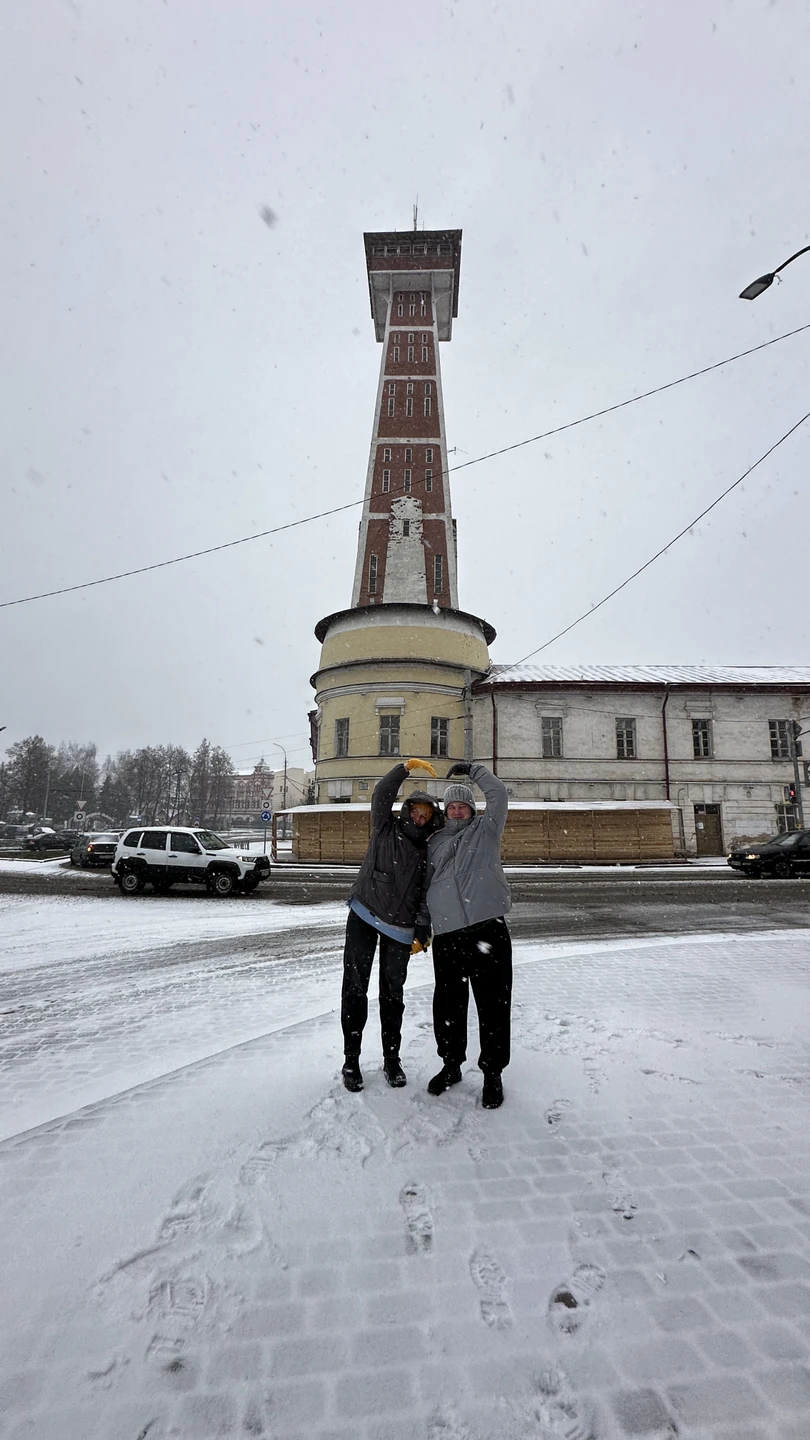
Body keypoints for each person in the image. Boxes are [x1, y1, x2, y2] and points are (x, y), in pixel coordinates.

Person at [341, 757, 443, 1093]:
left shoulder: (429, 849)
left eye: (425, 815)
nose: (418, 816)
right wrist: (403, 768)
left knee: (392, 995)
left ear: (432, 819)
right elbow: (381, 794)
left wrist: (422, 928)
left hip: (400, 927)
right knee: (355, 989)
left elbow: (427, 893)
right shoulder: (384, 826)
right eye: (415, 810)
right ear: (407, 809)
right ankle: (351, 1060)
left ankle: (392, 1058)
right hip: (364, 914)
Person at [422, 761, 512, 1109]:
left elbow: (499, 794)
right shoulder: (435, 841)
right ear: (446, 811)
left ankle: (492, 1073)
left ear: (472, 809)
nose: (457, 810)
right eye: (452, 806)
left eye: (463, 805)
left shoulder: (486, 829)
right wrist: (422, 924)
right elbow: (424, 884)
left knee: (493, 1004)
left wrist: (474, 772)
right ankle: (451, 1064)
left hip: (487, 928)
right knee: (448, 1005)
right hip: (448, 935)